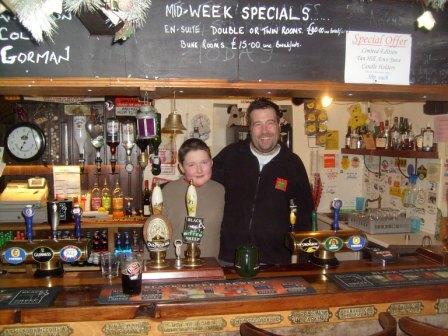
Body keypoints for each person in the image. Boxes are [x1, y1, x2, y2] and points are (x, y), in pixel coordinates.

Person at [212, 98, 314, 265]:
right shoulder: (230, 156)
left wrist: (302, 261)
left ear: (279, 124)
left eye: (270, 123)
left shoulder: (292, 164)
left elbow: (305, 217)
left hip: (274, 261)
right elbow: (204, 184)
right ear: (249, 126)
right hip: (229, 258)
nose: (264, 131)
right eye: (257, 124)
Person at [163, 138, 225, 259]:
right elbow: (155, 233)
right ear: (181, 167)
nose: (199, 170)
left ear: (211, 163)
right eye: (191, 164)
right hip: (175, 268)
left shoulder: (220, 190)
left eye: (204, 162)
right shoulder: (168, 191)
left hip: (209, 269)